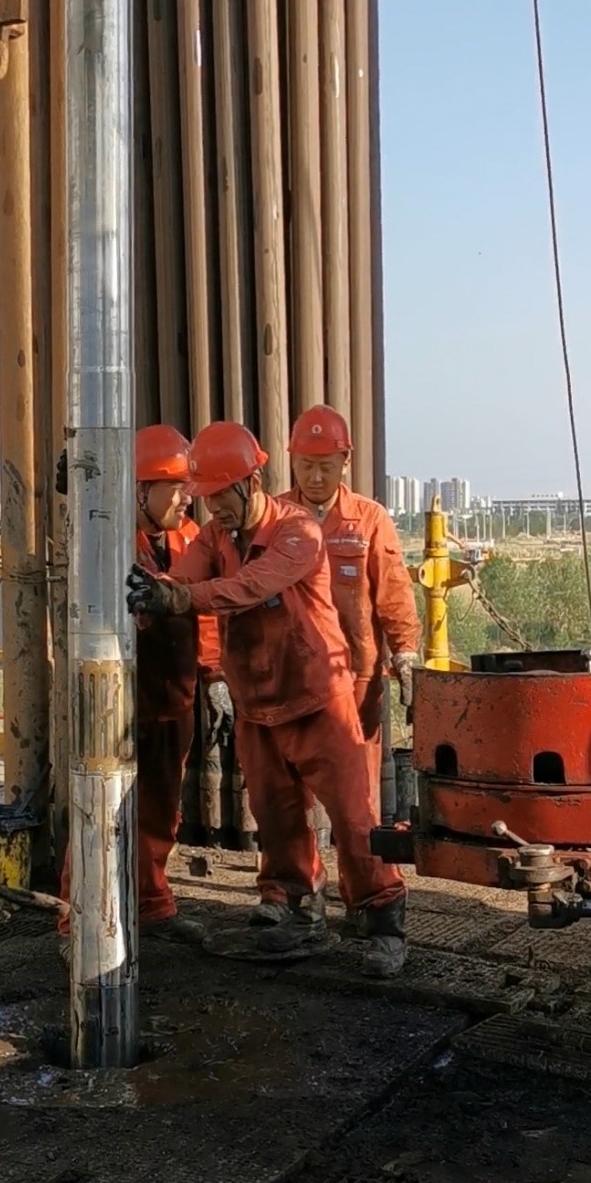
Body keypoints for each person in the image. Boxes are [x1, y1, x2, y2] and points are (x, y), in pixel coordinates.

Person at [127, 420, 407, 978]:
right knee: (275, 818)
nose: (212, 509)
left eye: (220, 496)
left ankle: (382, 922)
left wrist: (177, 598)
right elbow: (184, 576)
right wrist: (155, 592)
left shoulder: (297, 530)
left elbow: (252, 585)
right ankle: (296, 906)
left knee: (354, 819)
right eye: (204, 499)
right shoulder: (214, 537)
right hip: (257, 705)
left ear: (250, 484)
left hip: (317, 699)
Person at [58, 425, 227, 949]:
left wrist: (214, 677)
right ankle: (77, 921)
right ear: (139, 489)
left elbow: (206, 614)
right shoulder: (105, 540)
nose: (186, 498)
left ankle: (151, 905)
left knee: (159, 812)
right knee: (100, 809)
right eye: (174, 487)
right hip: (118, 702)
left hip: (172, 698)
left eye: (187, 487)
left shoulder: (188, 539)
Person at [283, 405, 421, 800]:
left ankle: (362, 842)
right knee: (294, 785)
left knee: (357, 786)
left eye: (325, 466)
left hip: (357, 675)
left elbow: (394, 592)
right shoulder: (276, 518)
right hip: (291, 675)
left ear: (346, 462)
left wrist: (405, 655)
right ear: (292, 461)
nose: (315, 477)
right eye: (306, 466)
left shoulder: (369, 520)